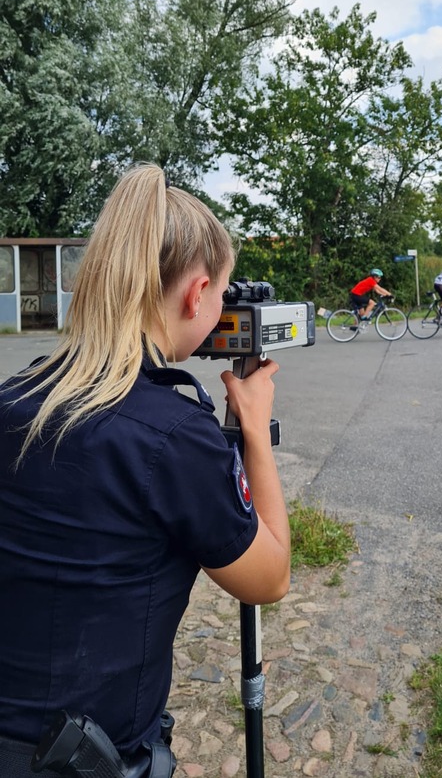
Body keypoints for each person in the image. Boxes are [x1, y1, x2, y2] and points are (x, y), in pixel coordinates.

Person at [0, 165, 290, 777]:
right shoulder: (175, 436)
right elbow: (268, 579)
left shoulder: (15, 397)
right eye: (222, 296)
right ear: (196, 293)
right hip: (82, 758)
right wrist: (254, 430)